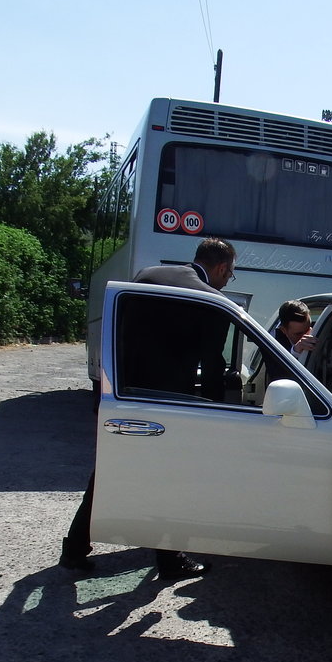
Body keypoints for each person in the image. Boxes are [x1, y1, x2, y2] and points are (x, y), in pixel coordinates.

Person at [61, 238, 237, 580]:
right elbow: (213, 367)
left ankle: (74, 548)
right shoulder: (212, 301)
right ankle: (170, 560)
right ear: (220, 268)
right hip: (168, 405)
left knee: (108, 472)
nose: (228, 281)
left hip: (121, 394)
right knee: (170, 480)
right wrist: (218, 412)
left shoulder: (148, 275)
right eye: (230, 274)